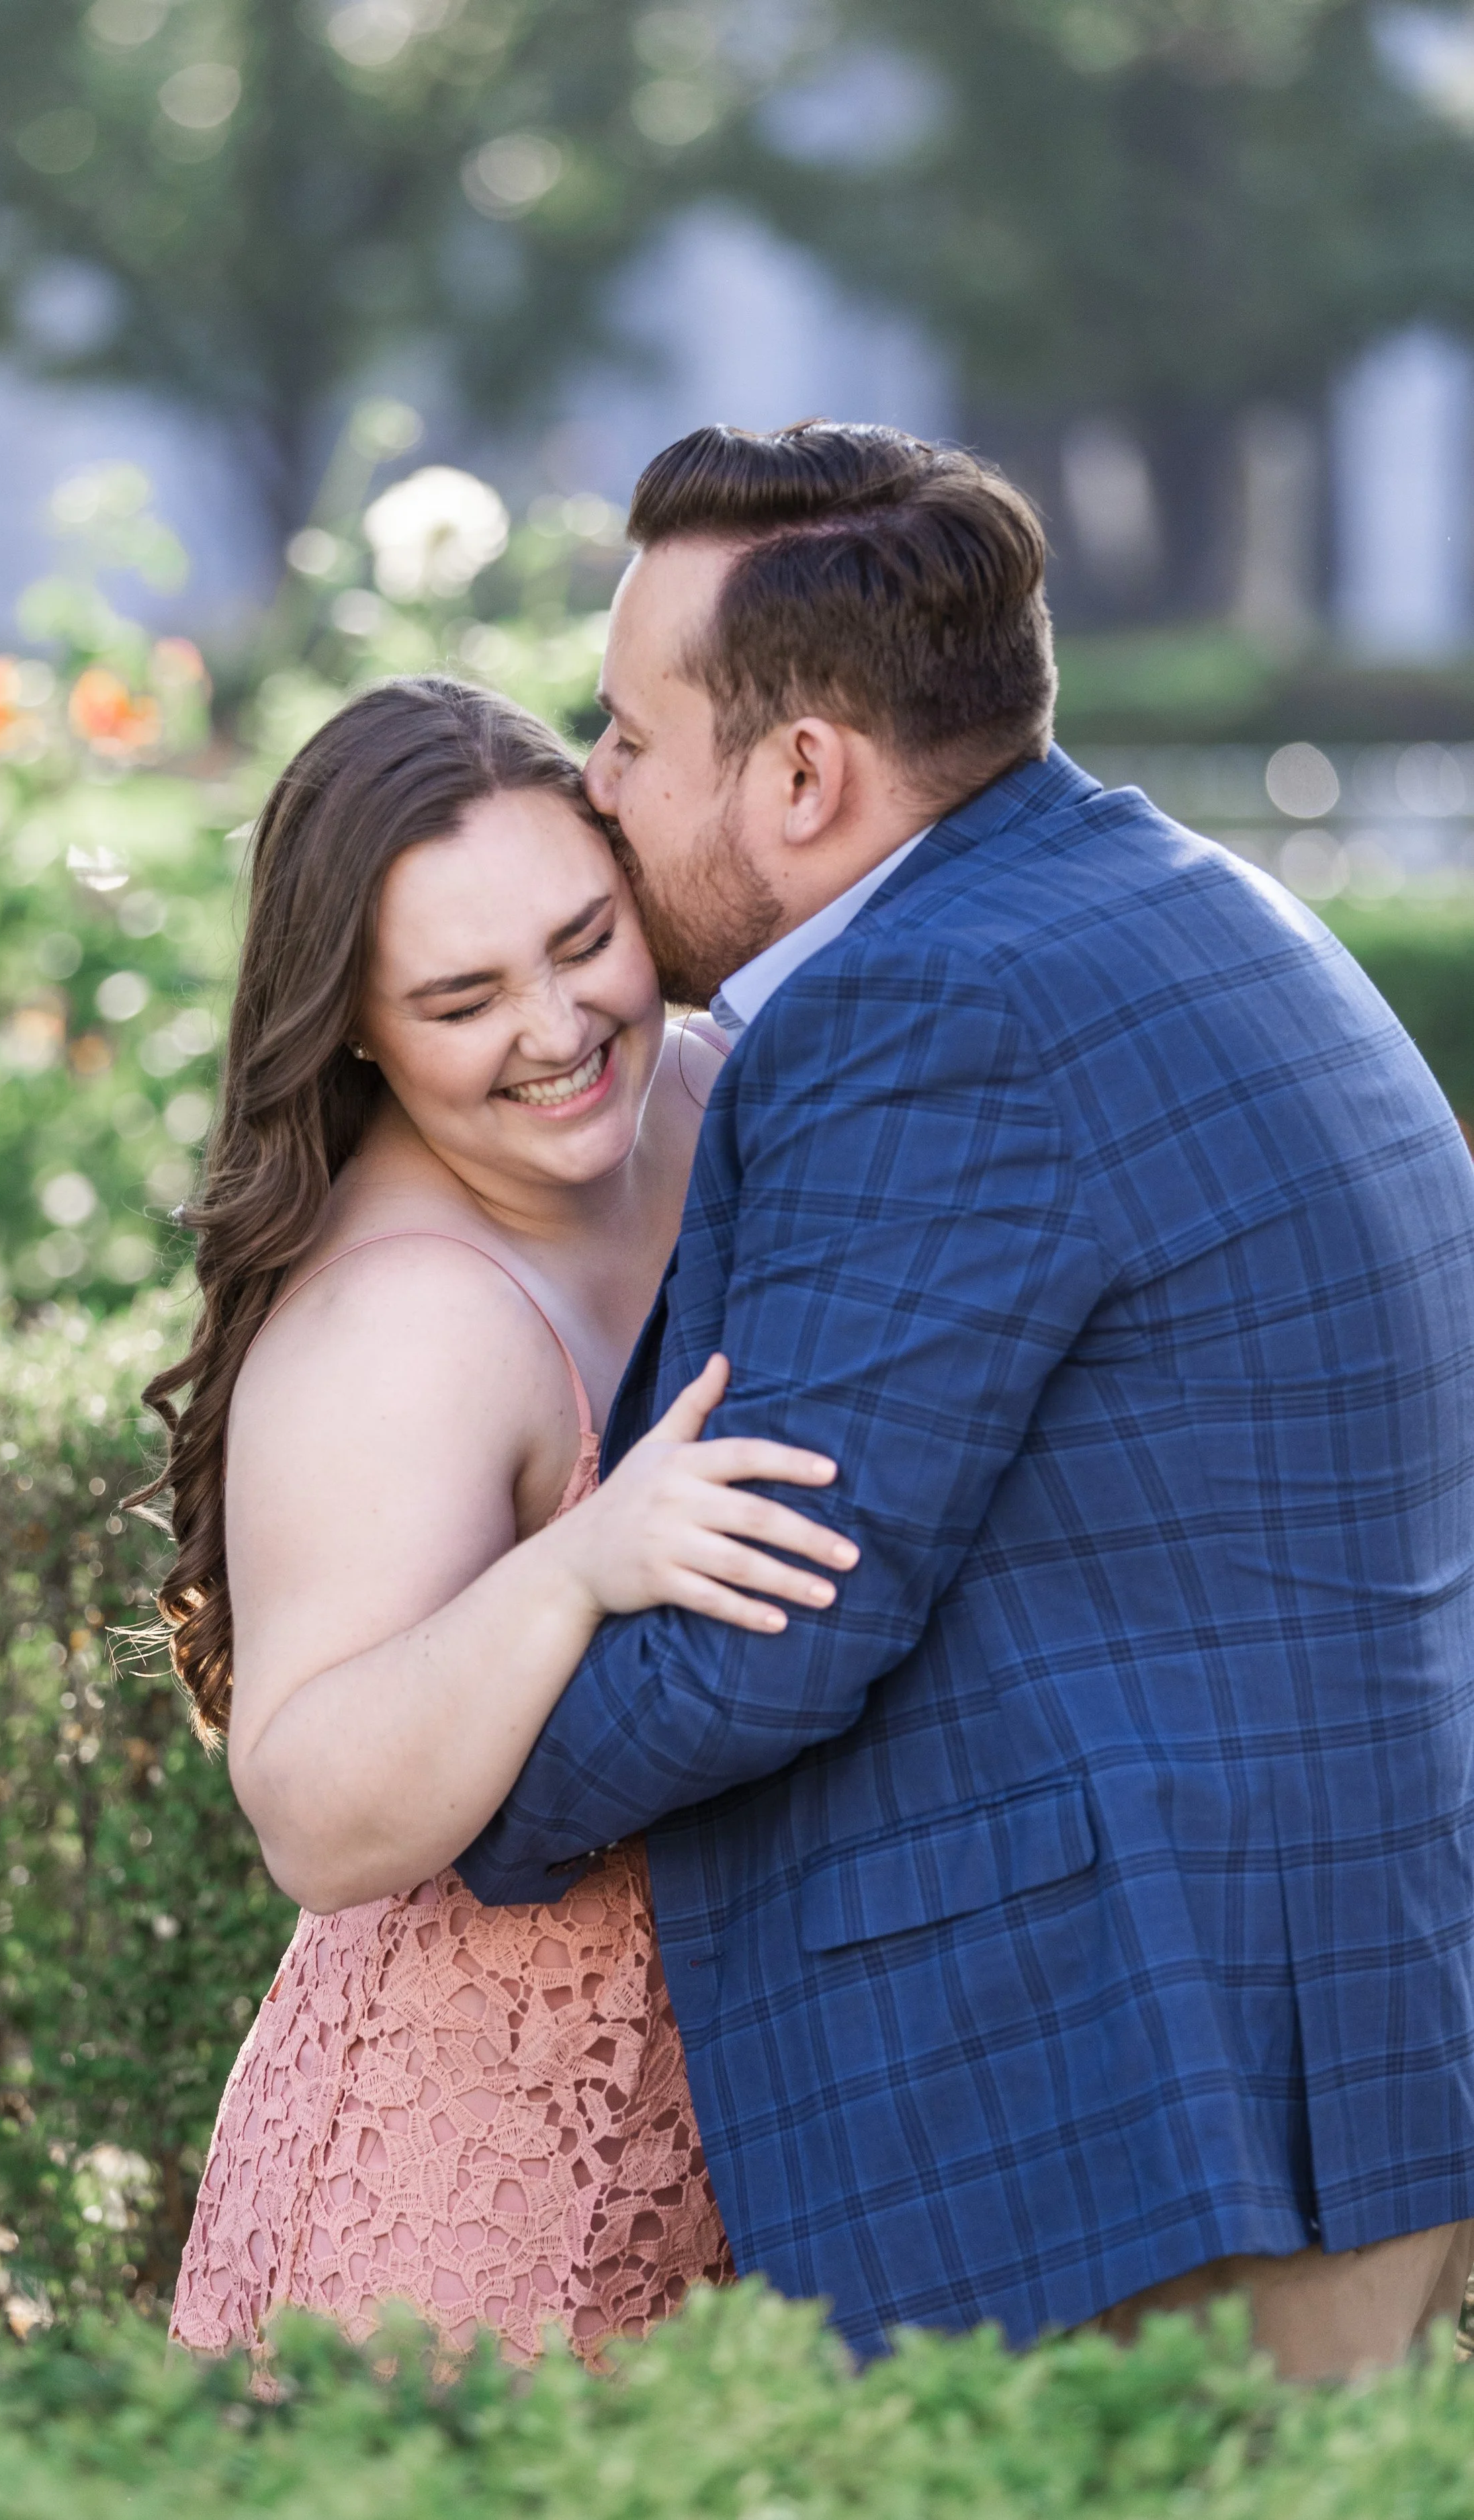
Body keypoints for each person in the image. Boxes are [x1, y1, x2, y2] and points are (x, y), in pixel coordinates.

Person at [451, 421, 1474, 2380]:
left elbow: (766, 1620)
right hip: (1318, 2043)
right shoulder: (1161, 899)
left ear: (806, 774)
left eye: (630, 739)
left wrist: (422, 1787)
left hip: (1148, 2115)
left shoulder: (924, 1008)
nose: (590, 789)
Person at [152, 675, 853, 2363]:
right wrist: (574, 1570)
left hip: (733, 2171)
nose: (555, 1030)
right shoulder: (403, 1327)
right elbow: (312, 1813)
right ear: (359, 1036)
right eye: (461, 998)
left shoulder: (705, 1089)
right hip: (465, 2228)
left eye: (582, 938)